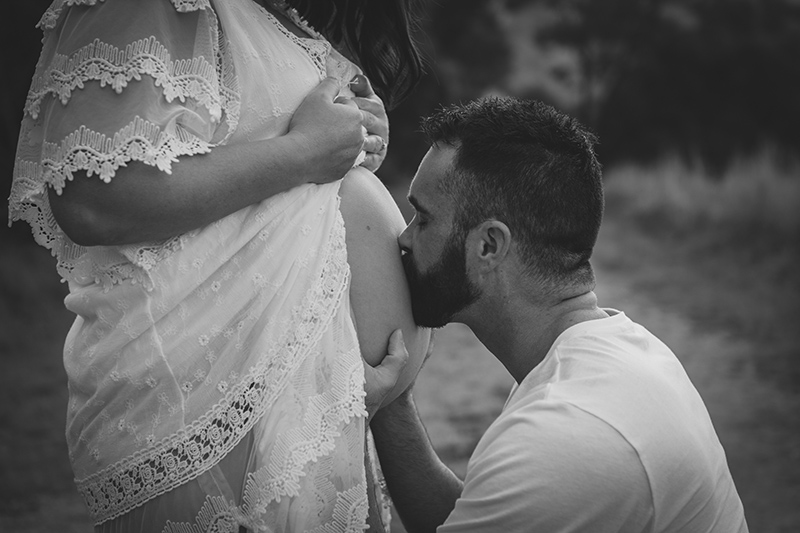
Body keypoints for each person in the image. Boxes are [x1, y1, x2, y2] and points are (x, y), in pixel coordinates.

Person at [8, 0, 429, 531]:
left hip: (310, 395)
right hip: (205, 408)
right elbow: (92, 197)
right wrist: (304, 151)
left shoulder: (265, 11)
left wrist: (352, 137)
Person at [368, 97, 750, 532]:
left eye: (423, 218)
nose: (404, 238)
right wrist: (392, 403)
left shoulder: (566, 432)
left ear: (489, 246)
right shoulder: (608, 353)